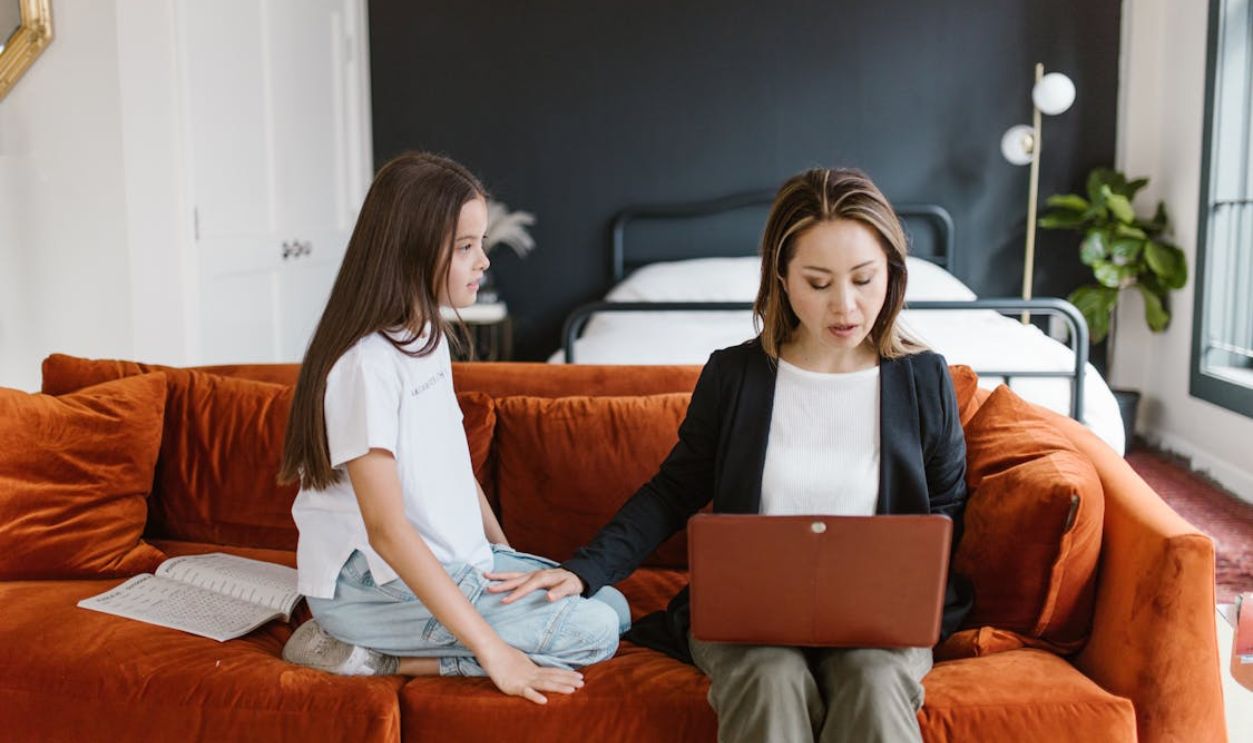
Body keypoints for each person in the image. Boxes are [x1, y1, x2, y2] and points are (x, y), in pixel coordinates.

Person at [486, 168, 972, 739]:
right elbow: (673, 491)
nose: (846, 305)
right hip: (748, 618)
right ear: (782, 280)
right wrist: (585, 571)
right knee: (768, 676)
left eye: (864, 280)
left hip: (877, 622)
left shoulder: (922, 378)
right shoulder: (736, 375)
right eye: (818, 283)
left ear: (891, 274)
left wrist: (908, 594)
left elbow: (946, 506)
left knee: (872, 676)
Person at [277, 151, 629, 705]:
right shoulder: (366, 366)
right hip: (369, 589)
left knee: (614, 605)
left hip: (450, 560)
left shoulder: (426, 339)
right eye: (466, 248)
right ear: (410, 253)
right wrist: (496, 654)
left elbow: (453, 468)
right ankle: (374, 656)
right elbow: (388, 531)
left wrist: (504, 559)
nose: (484, 261)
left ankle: (431, 634)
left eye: (480, 243)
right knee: (596, 630)